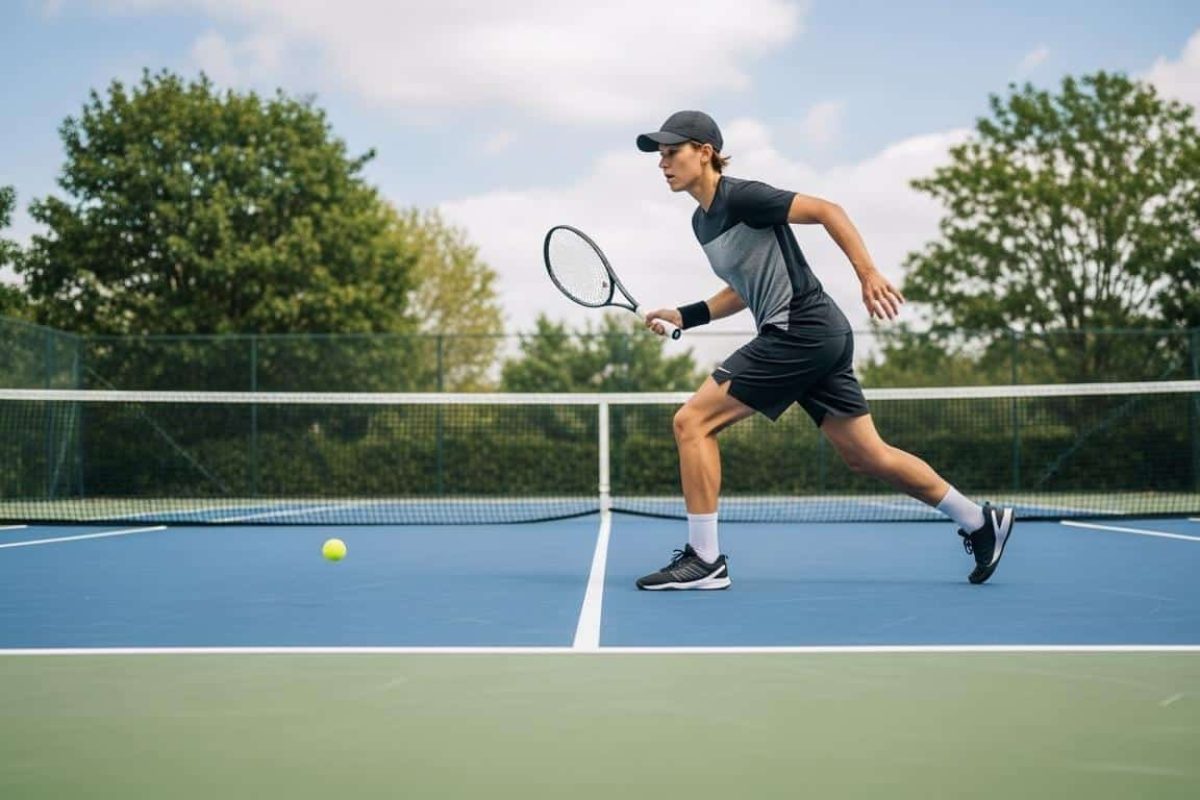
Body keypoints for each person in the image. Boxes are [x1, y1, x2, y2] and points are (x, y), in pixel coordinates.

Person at [634, 110, 1014, 591]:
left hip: (801, 330)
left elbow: (828, 210)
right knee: (868, 456)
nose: (663, 163)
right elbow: (743, 288)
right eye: (660, 156)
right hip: (816, 334)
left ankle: (705, 560)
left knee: (692, 422)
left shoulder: (743, 196)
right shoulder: (702, 223)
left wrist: (868, 272)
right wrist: (685, 315)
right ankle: (981, 521)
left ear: (705, 153)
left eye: (672, 153)